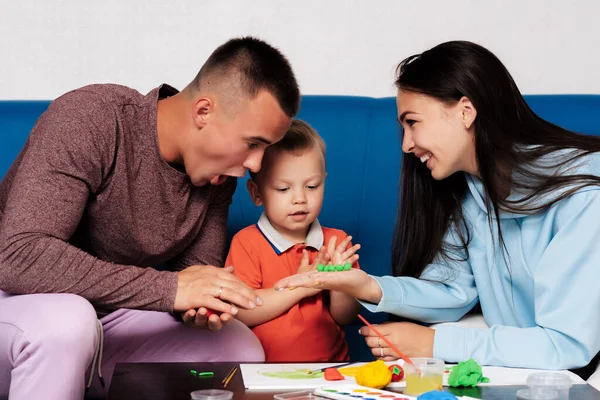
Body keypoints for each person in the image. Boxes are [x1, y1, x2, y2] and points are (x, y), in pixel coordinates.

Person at [0, 36, 300, 400]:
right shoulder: (93, 118)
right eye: (252, 144)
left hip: (105, 322)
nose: (255, 165)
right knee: (68, 321)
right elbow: (18, 255)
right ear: (203, 112)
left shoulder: (216, 176)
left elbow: (193, 279)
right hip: (17, 307)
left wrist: (203, 305)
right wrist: (171, 290)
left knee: (236, 349)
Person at [274, 41, 600, 374]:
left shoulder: (584, 196)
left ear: (465, 112)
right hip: (544, 366)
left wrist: (434, 343)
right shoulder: (474, 196)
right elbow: (452, 291)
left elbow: (567, 343)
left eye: (413, 122)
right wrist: (366, 286)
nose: (406, 144)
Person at [225, 119, 361, 362]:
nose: (300, 198)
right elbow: (242, 313)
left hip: (330, 369)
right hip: (263, 372)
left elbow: (346, 317)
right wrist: (301, 286)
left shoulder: (335, 242)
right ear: (257, 193)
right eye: (283, 189)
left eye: (311, 186)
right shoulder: (247, 243)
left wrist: (340, 279)